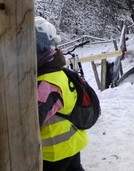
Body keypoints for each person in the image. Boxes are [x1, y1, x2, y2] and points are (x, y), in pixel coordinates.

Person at [35, 17, 88, 171]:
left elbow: (32, 121)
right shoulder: (58, 71)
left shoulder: (46, 83)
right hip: (72, 140)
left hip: (55, 150)